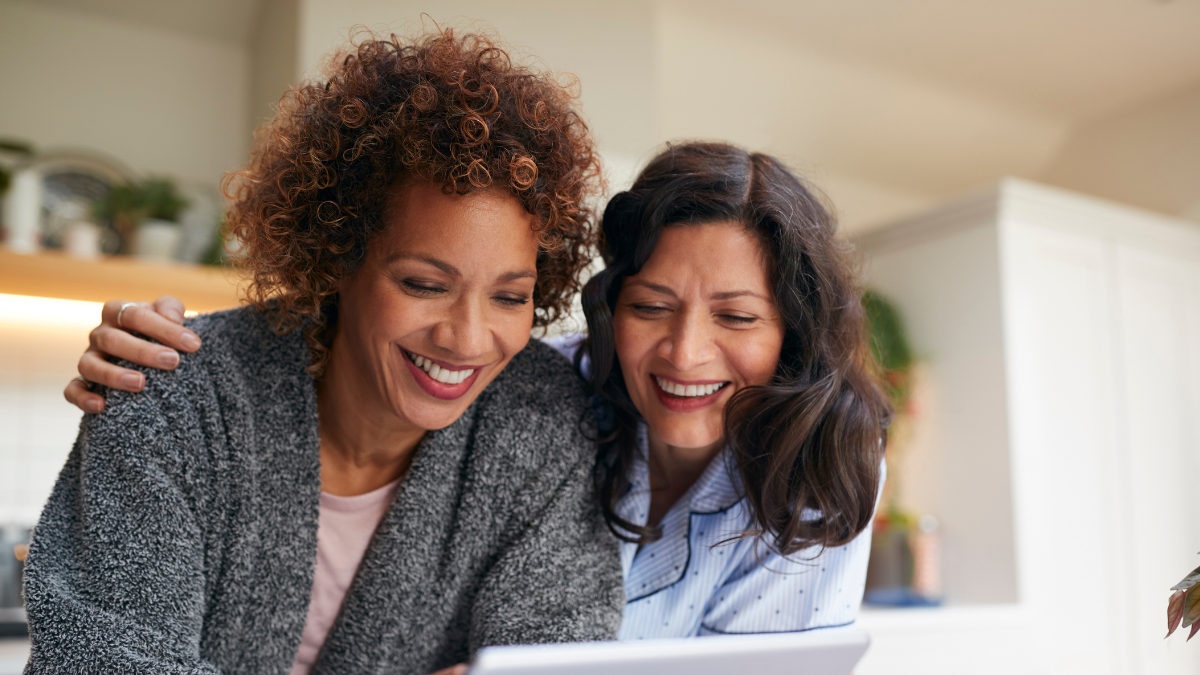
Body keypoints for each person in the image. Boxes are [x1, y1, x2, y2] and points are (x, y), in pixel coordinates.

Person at [69, 142, 890, 640]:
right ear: (610, 304)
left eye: (737, 316)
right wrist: (173, 360)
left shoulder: (826, 469)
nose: (685, 351)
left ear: (793, 329)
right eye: (651, 306)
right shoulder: (540, 391)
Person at [27, 29, 623, 675]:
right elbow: (101, 658)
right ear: (338, 254)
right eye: (424, 285)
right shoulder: (173, 391)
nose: (469, 337)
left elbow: (556, 654)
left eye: (510, 297)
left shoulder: (540, 416)